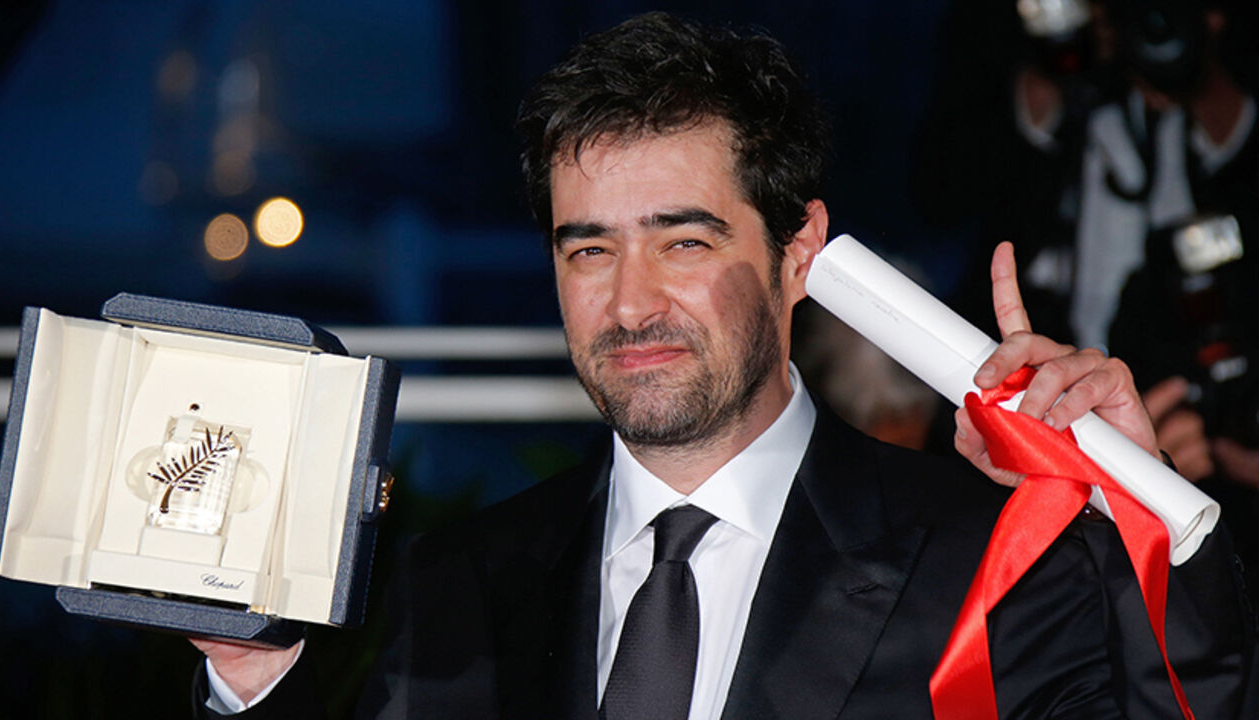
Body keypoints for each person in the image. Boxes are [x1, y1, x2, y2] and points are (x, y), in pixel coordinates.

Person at [192, 12, 1255, 719]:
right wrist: (253, 680)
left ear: (796, 254)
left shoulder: (990, 557)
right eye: (588, 248)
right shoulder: (457, 581)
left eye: (684, 242)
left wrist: (1141, 514)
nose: (629, 301)